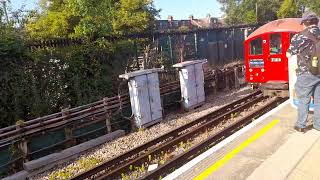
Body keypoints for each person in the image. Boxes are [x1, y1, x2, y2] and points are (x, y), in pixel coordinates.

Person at [286, 12, 320, 133]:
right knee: (319, 100)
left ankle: (301, 125)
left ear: (305, 23)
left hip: (307, 73)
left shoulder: (299, 37)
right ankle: (318, 125)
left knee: (304, 99)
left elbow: (288, 54)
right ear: (316, 22)